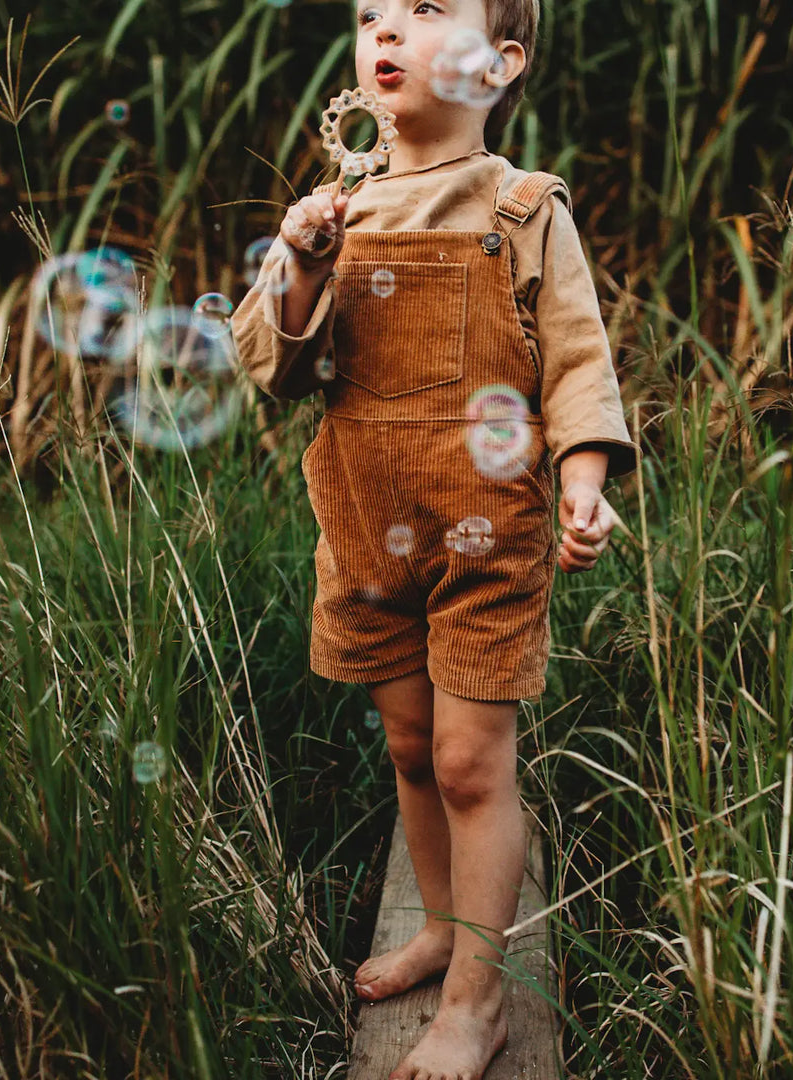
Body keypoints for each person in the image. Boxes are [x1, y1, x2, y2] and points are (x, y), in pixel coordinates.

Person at [232, 0, 638, 1075]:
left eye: (424, 9)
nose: (387, 33)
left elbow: (578, 361)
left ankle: (478, 996)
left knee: (469, 763)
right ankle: (438, 931)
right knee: (412, 752)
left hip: (487, 541)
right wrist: (302, 263)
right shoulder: (335, 211)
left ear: (500, 62)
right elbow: (270, 369)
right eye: (371, 14)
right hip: (367, 534)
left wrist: (584, 480)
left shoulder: (520, 207)